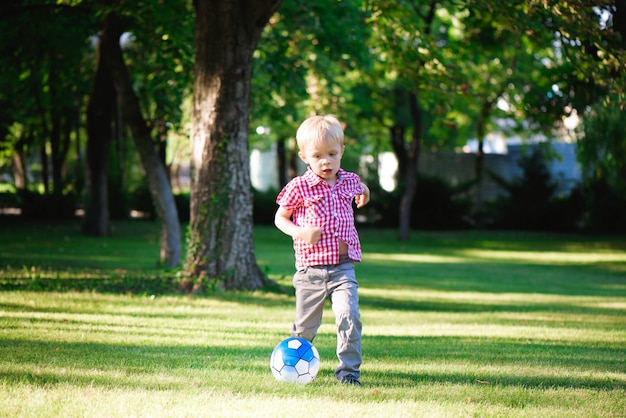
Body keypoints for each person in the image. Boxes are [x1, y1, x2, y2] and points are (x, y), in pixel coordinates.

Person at [274, 114, 370, 386]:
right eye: (318, 156)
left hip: (343, 268)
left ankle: (349, 373)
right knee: (305, 328)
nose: (326, 161)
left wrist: (365, 193)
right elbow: (280, 218)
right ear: (304, 156)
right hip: (310, 270)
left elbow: (361, 187)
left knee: (349, 317)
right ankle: (293, 368)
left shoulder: (348, 180)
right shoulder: (299, 187)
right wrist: (301, 232)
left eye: (332, 154)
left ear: (341, 152)